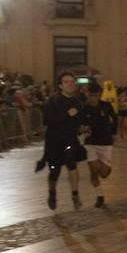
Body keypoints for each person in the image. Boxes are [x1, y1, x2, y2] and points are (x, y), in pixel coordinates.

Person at [40, 72, 87, 210]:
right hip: (54, 142)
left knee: (72, 164)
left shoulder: (78, 103)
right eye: (66, 82)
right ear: (60, 85)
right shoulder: (53, 101)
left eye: (72, 81)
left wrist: (83, 128)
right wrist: (66, 114)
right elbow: (47, 121)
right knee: (54, 171)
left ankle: (75, 194)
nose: (70, 84)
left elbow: (79, 122)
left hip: (70, 140)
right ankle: (52, 193)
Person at [80, 84, 117, 208]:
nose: (93, 98)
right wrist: (83, 129)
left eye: (95, 96)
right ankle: (99, 196)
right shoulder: (84, 109)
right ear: (87, 95)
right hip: (90, 143)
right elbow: (79, 125)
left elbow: (114, 119)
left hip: (105, 143)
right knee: (93, 170)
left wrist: (114, 133)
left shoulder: (106, 106)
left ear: (99, 95)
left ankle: (104, 169)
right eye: (91, 95)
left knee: (104, 173)